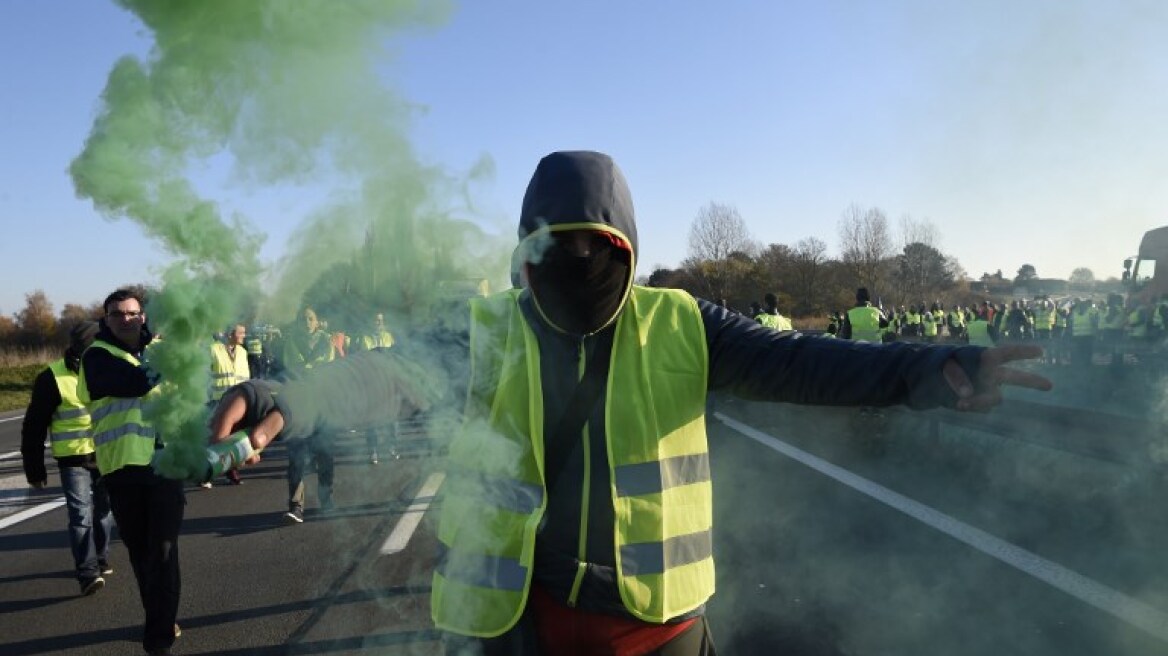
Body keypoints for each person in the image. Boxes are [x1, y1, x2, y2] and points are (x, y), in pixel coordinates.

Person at [210, 150, 1051, 655]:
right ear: (524, 254)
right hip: (515, 623)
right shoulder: (487, 328)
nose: (577, 266)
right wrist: (285, 393)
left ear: (629, 249)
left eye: (596, 248)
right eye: (555, 248)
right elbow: (387, 373)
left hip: (656, 630)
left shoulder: (683, 323)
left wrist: (930, 369)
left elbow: (804, 364)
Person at [78, 288, 183, 656]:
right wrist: (170, 355)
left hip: (166, 465)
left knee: (165, 551)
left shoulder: (159, 350)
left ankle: (158, 640)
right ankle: (159, 616)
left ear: (143, 316)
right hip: (123, 469)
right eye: (118, 313)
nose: (127, 319)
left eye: (133, 313)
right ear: (105, 319)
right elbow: (136, 383)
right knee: (142, 553)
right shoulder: (97, 357)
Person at [21, 320, 114, 596]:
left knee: (105, 511)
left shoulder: (110, 369)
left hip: (107, 455)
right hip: (73, 459)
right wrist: (34, 469)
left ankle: (101, 557)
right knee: (80, 514)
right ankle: (87, 573)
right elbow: (34, 425)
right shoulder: (51, 377)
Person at [279, 306, 336, 524]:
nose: (307, 322)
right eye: (303, 319)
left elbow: (325, 367)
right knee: (296, 458)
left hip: (322, 406)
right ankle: (296, 506)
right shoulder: (290, 342)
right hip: (299, 406)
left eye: (310, 318)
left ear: (317, 321)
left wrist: (307, 368)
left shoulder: (326, 342)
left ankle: (326, 501)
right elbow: (291, 367)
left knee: (325, 456)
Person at [206, 324, 251, 486]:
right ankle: (206, 473)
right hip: (216, 400)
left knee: (232, 438)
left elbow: (246, 377)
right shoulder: (213, 349)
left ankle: (231, 470)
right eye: (241, 332)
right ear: (231, 334)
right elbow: (205, 375)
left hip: (236, 402)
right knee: (213, 437)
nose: (244, 335)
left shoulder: (243, 352)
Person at [353, 311, 397, 464]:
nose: (378, 323)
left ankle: (392, 447)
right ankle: (373, 451)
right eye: (375, 320)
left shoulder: (389, 337)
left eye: (380, 320)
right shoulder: (363, 338)